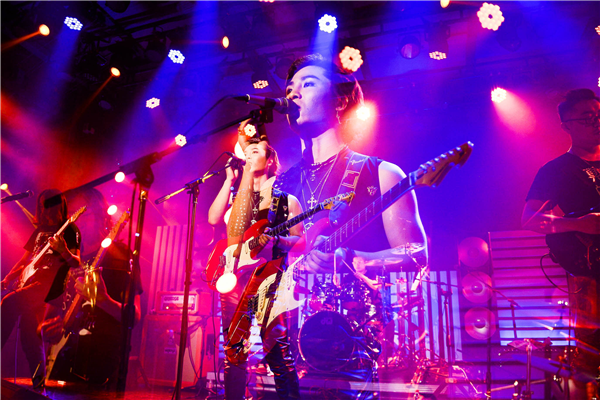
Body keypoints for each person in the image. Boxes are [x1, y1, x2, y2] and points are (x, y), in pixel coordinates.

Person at [271, 53, 428, 398]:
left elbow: (417, 253)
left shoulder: (381, 173)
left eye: (308, 84)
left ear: (340, 100)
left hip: (351, 345)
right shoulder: (280, 184)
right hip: (285, 339)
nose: (293, 93)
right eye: (289, 87)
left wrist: (354, 256)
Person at [208, 135, 304, 400]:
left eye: (255, 150)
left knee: (277, 351)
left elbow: (301, 241)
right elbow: (213, 218)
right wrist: (229, 180)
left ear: (270, 159)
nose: (248, 154)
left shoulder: (286, 201)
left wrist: (278, 240)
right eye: (246, 151)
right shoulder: (239, 200)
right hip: (234, 281)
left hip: (268, 281)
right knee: (234, 351)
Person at [522, 88, 600, 398]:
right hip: (591, 277)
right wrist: (579, 223)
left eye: (599, 115)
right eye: (587, 117)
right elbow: (530, 220)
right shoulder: (556, 170)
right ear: (566, 125)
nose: (596, 122)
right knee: (590, 357)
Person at [39, 188, 142, 388]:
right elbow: (46, 318)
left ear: (101, 215)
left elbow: (134, 317)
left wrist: (103, 301)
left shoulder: (121, 256)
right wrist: (47, 328)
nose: (76, 220)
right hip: (63, 361)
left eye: (83, 213)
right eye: (72, 214)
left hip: (102, 367)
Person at [1, 189, 82, 389]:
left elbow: (76, 263)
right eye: (41, 204)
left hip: (50, 287)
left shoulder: (70, 229)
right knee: (30, 337)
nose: (44, 209)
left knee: (8, 302)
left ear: (59, 205)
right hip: (32, 284)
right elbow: (25, 260)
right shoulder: (39, 231)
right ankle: (39, 385)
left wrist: (63, 250)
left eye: (48, 204)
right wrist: (9, 277)